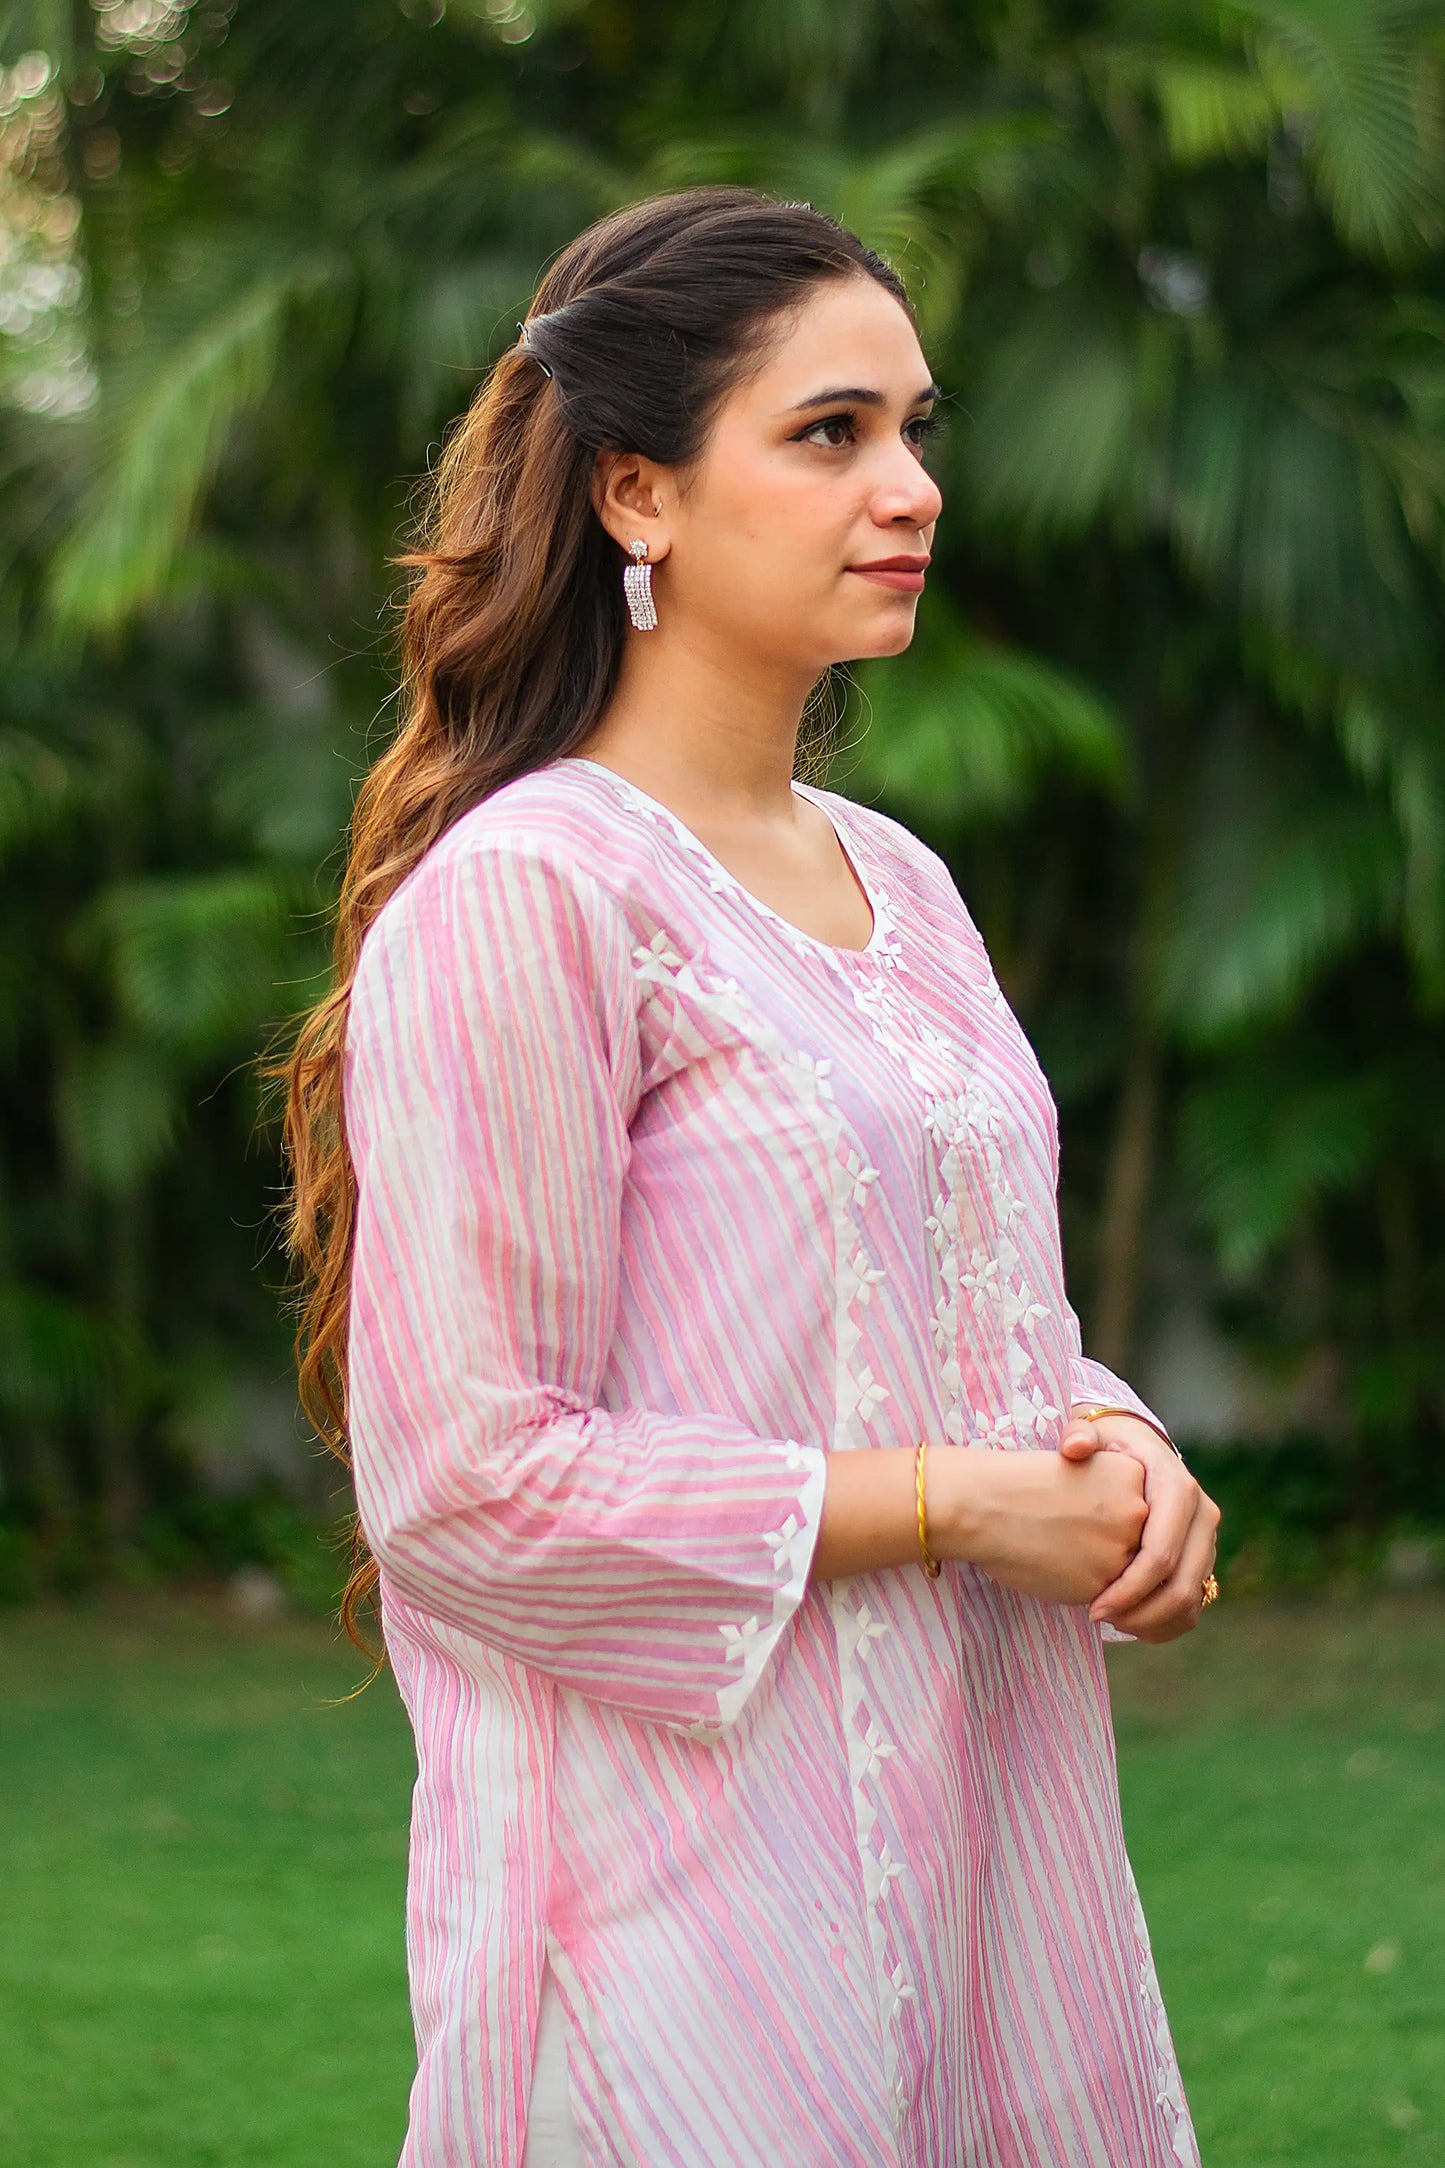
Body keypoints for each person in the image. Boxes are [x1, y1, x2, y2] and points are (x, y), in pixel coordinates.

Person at [279, 186, 1219, 2168]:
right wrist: (964, 1505)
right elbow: (461, 1477)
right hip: (685, 1932)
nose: (910, 487)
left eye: (915, 429)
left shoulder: (908, 883)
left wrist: (1112, 1444)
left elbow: (957, 1314)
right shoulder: (531, 901)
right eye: (829, 433)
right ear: (639, 492)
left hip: (991, 1880)